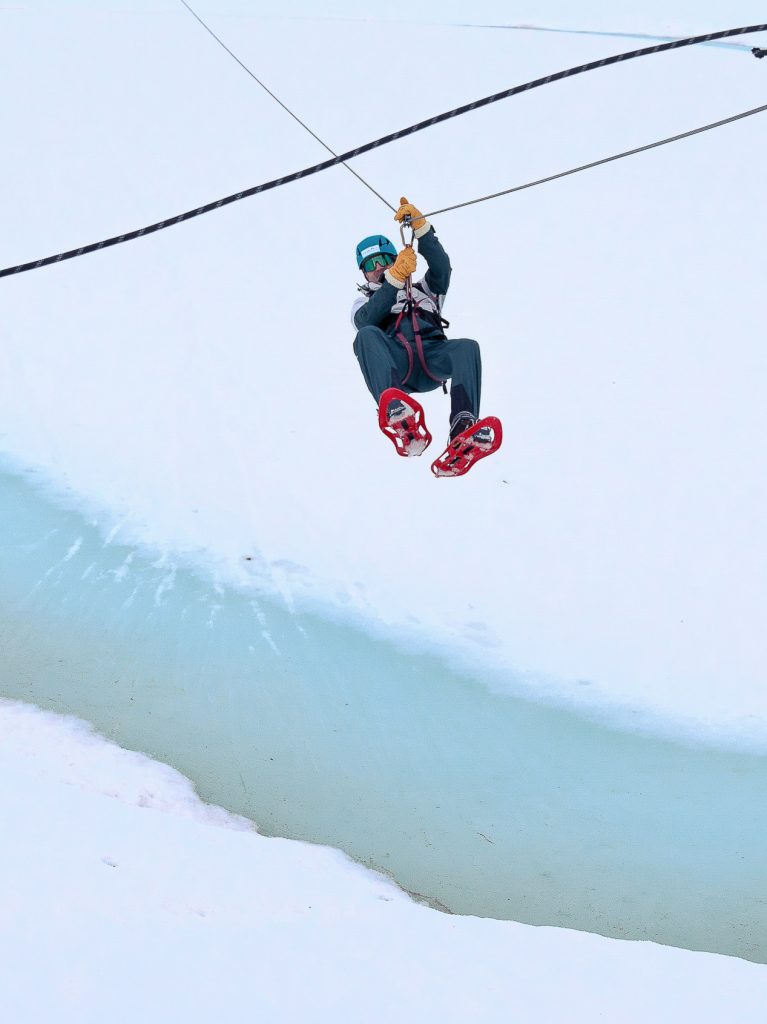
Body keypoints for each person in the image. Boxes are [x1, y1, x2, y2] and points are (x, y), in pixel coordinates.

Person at [352, 198, 487, 446]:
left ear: (395, 259)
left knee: (467, 347)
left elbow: (441, 268)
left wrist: (422, 230)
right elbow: (366, 321)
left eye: (385, 260)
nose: (379, 267)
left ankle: (463, 426)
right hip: (398, 363)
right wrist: (394, 279)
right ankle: (396, 409)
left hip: (432, 358)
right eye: (371, 264)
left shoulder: (424, 290)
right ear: (364, 273)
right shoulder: (363, 305)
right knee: (366, 335)